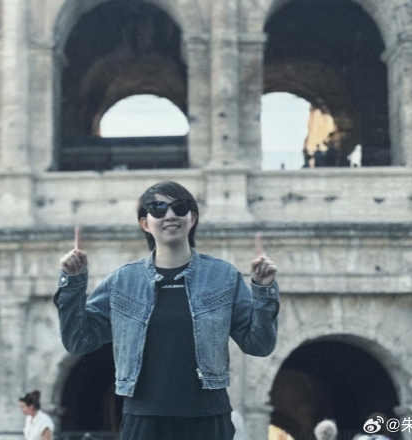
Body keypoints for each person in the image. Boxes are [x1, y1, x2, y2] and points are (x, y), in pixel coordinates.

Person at [55, 181, 280, 440]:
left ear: (192, 218)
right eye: (158, 208)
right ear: (145, 223)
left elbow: (259, 345)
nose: (170, 215)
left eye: (180, 207)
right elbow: (78, 340)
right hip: (144, 421)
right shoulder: (122, 282)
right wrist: (72, 282)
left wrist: (263, 290)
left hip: (208, 420)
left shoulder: (224, 277)